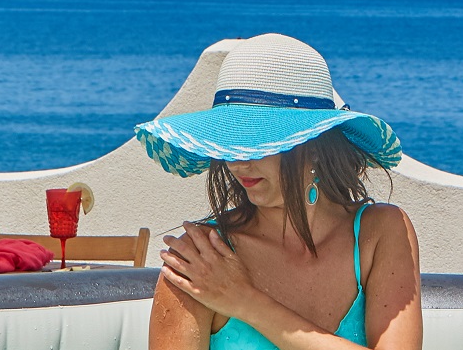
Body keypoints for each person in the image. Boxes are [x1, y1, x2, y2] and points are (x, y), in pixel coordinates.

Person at [137, 34, 423, 350]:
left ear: (315, 146)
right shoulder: (200, 259)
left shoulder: (380, 231)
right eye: (230, 143)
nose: (237, 162)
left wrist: (244, 301)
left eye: (257, 143)